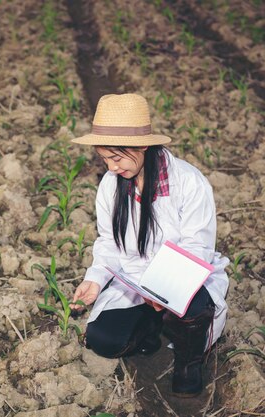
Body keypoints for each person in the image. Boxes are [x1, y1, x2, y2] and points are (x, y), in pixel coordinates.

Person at [69, 93, 229, 397]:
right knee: (103, 339)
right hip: (135, 280)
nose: (112, 168)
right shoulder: (110, 185)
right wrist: (95, 279)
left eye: (116, 158)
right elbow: (109, 242)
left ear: (142, 145)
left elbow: (198, 247)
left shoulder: (188, 183)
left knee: (192, 308)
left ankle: (188, 361)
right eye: (104, 159)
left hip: (183, 278)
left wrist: (166, 290)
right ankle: (151, 327)